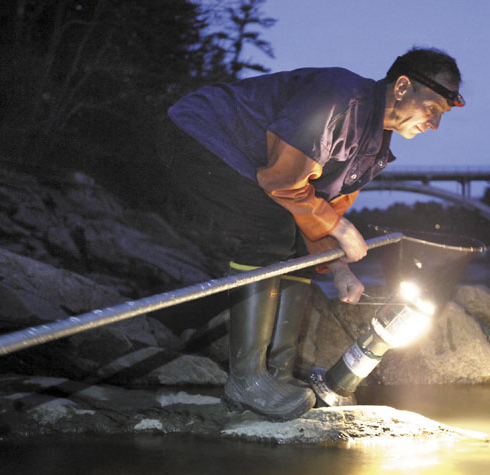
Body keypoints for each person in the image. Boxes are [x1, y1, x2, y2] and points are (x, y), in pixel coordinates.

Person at [162, 47, 463, 421]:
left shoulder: (375, 152)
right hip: (198, 132)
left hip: (255, 170)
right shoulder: (338, 97)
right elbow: (284, 182)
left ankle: (278, 375)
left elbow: (314, 211)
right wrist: (341, 228)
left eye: (441, 117)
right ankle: (245, 382)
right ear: (402, 87)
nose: (434, 124)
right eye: (432, 109)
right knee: (268, 229)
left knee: (294, 245)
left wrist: (336, 266)